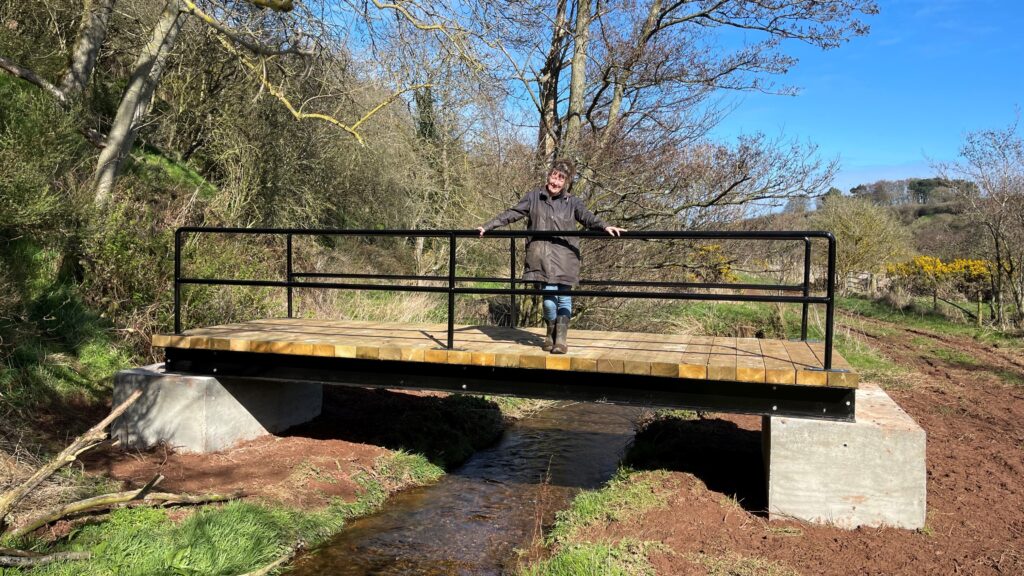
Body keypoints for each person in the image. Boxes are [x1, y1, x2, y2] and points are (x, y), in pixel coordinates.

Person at [477, 159, 626, 354]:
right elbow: (512, 213)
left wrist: (605, 226)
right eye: (554, 177)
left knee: (564, 299)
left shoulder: (572, 202)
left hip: (566, 257)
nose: (555, 182)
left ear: (566, 183)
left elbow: (588, 217)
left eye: (560, 179)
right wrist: (488, 226)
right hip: (541, 257)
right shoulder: (533, 197)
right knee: (548, 301)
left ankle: (561, 340)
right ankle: (550, 332)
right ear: (549, 176)